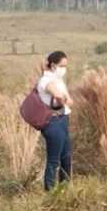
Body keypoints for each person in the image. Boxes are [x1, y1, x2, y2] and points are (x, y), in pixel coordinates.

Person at [37, 51, 73, 191]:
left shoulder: (57, 80)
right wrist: (64, 100)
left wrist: (65, 100)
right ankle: (50, 192)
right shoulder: (46, 80)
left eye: (65, 66)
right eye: (61, 66)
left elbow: (69, 101)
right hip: (53, 121)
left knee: (66, 157)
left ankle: (64, 189)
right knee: (54, 159)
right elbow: (59, 96)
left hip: (62, 119)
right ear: (53, 65)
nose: (63, 69)